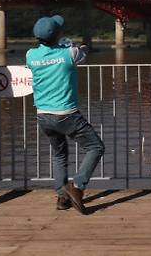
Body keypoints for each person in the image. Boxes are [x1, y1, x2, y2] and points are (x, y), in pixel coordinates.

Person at [26, 15, 104, 214]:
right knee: (96, 147)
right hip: (67, 114)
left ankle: (62, 197)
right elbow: (84, 52)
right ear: (58, 34)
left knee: (59, 155)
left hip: (43, 115)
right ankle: (77, 187)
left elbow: (50, 55)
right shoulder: (71, 53)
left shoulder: (30, 56)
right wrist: (81, 46)